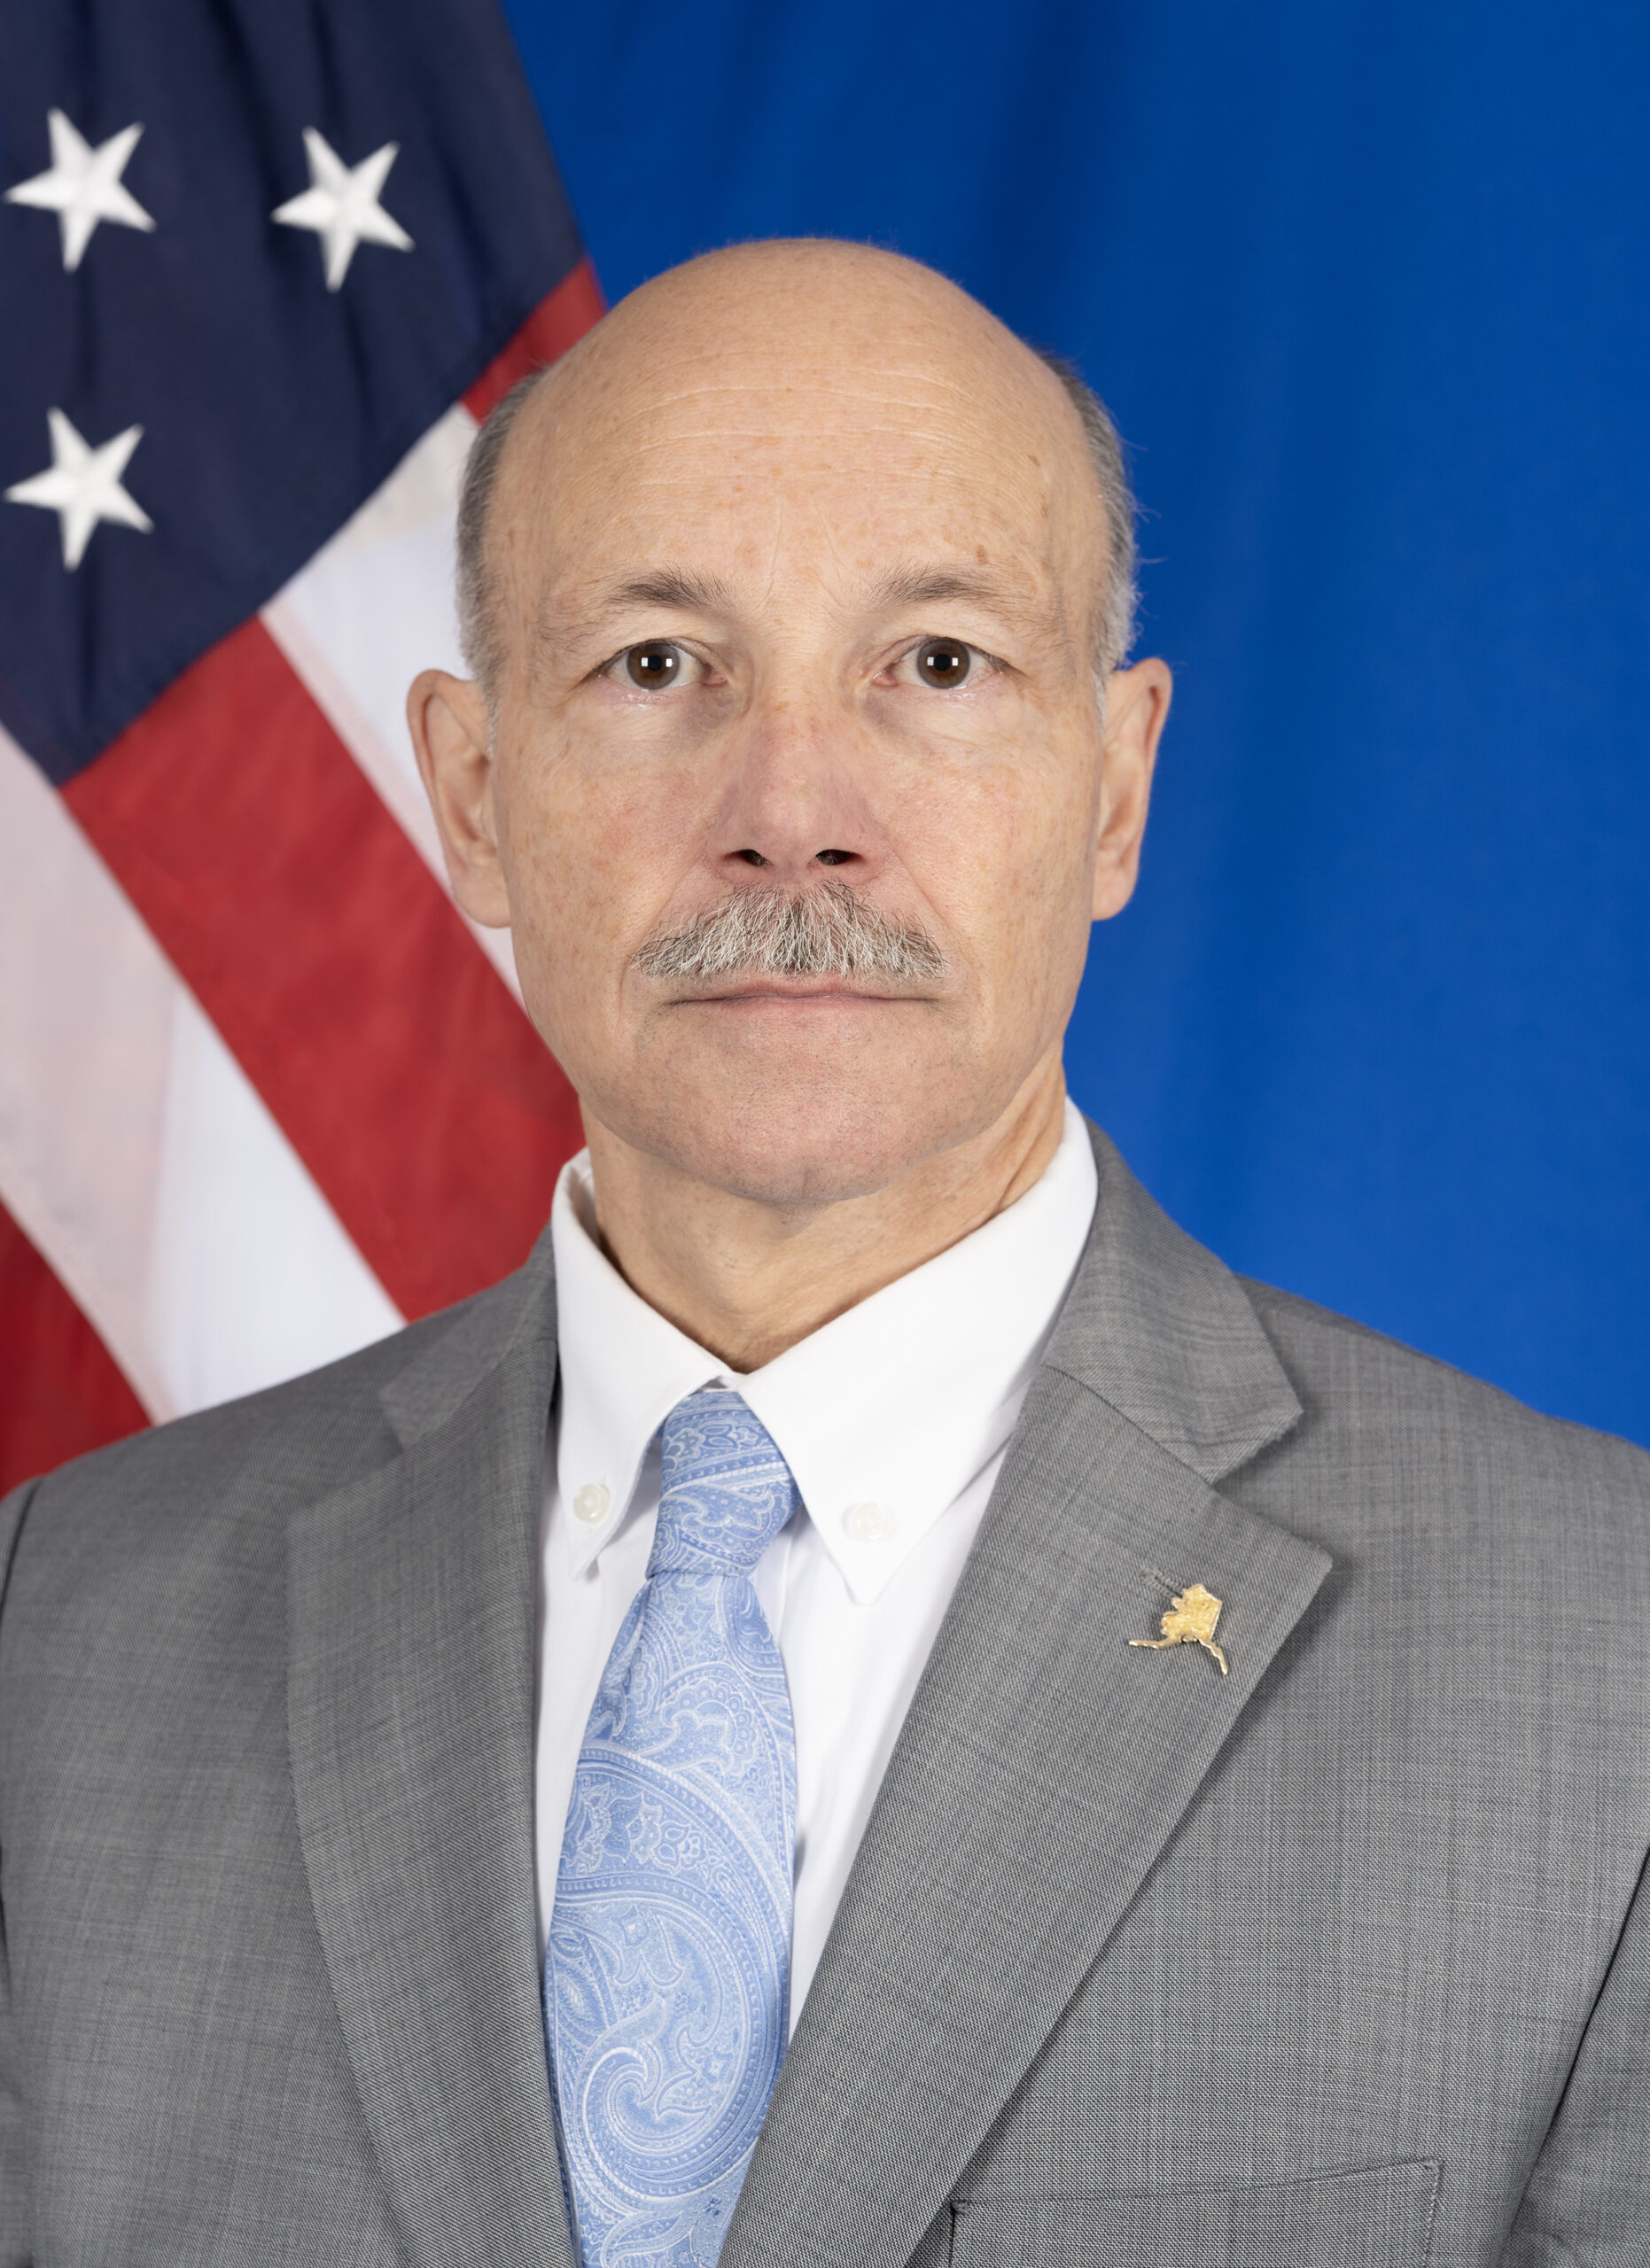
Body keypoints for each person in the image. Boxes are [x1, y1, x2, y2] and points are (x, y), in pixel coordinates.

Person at [1, 239, 1646, 2268]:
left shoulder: (1608, 1666)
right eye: (656, 665)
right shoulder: (61, 1636)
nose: (792, 811)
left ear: (1114, 787)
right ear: (476, 794)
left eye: (935, 663)